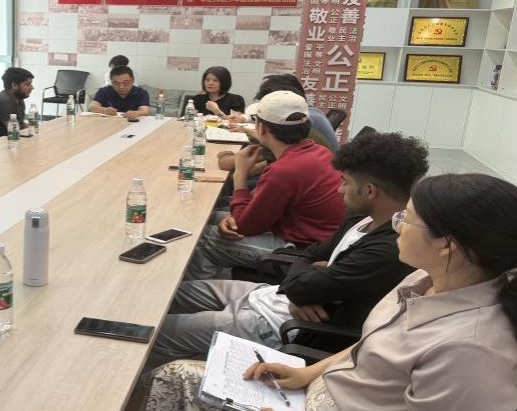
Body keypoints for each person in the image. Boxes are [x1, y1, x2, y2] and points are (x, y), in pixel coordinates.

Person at [107, 173, 517, 411]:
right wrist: (307, 372)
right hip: (321, 403)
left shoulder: (472, 350)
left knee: (174, 381)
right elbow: (373, 343)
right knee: (175, 380)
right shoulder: (427, 280)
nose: (395, 228)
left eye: (407, 221)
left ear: (449, 245)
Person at [151, 132, 428, 366]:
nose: (338, 190)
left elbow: (304, 287)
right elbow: (311, 255)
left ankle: (153, 394)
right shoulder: (361, 218)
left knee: (155, 335)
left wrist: (307, 282)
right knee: (168, 294)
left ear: (369, 191)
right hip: (270, 295)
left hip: (274, 325)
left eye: (345, 182)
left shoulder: (389, 248)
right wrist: (308, 277)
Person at [184, 91, 345, 281]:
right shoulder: (318, 151)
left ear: (261, 128)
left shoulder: (285, 169)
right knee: (207, 219)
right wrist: (237, 215)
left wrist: (240, 174)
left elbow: (243, 226)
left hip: (302, 253)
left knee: (200, 239)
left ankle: (200, 293)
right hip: (323, 243)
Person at [0, 66, 35, 139]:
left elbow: (21, 124)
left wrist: (34, 130)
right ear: (14, 85)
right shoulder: (5, 101)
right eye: (27, 84)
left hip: (9, 138)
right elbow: (13, 130)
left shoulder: (18, 98)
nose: (32, 87)